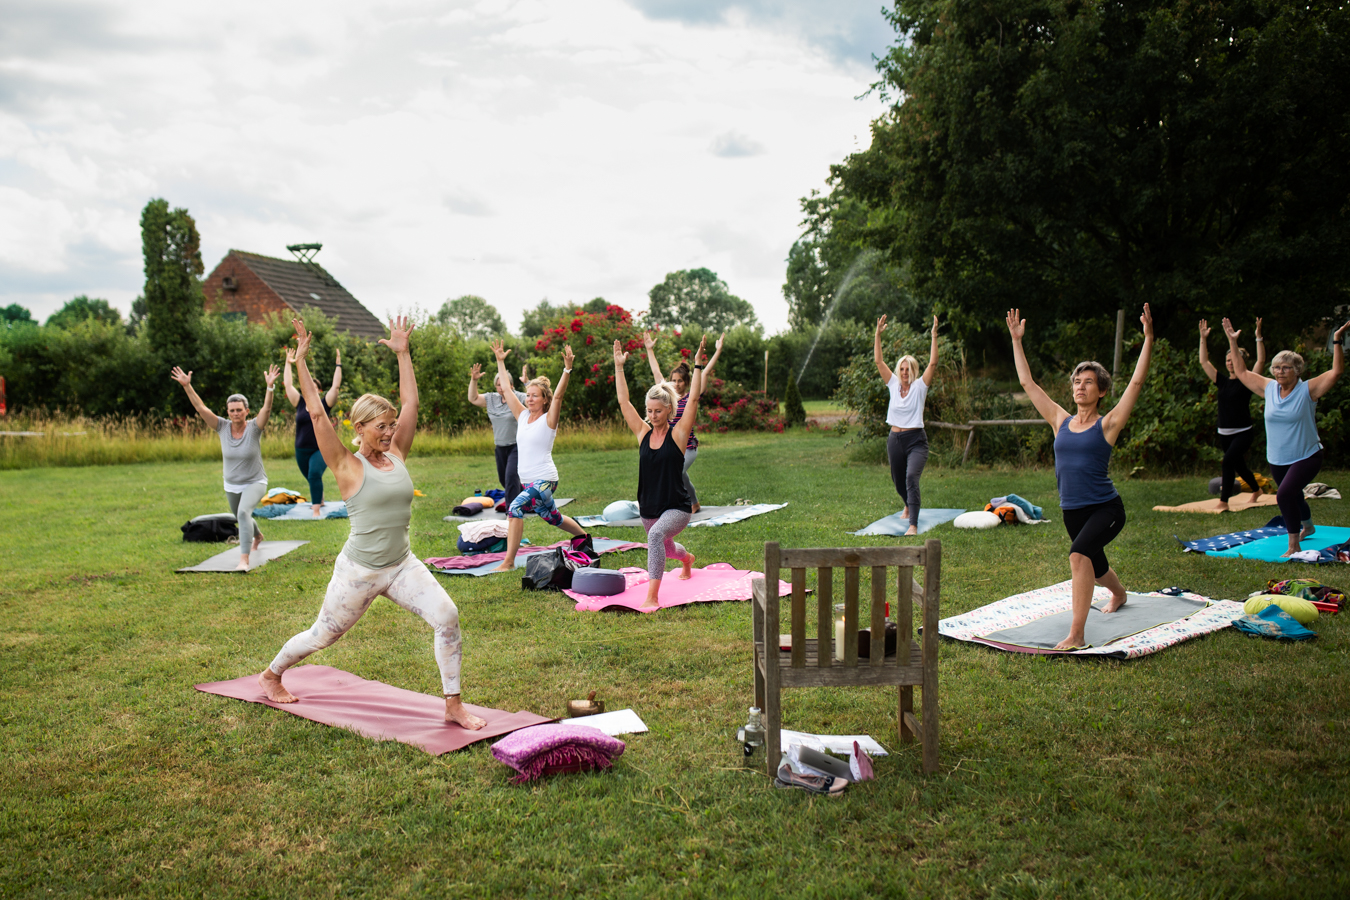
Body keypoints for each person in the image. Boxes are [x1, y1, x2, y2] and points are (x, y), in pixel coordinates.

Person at [257, 316, 486, 730]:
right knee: (322, 636)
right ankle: (271, 674)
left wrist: (404, 354)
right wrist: (303, 363)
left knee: (447, 616)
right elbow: (314, 410)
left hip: (401, 564)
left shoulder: (397, 453)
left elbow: (411, 404)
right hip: (359, 572)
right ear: (359, 428)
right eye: (381, 426)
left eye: (392, 425)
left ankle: (453, 705)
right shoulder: (346, 464)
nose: (390, 431)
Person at [1007, 304, 1154, 651]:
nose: (1080, 386)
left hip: (1106, 508)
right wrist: (1017, 341)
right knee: (1096, 565)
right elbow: (1027, 382)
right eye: (1077, 381)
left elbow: (1136, 381)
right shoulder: (1060, 420)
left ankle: (1077, 634)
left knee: (1078, 556)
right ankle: (1119, 593)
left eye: (1088, 382)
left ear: (1101, 391)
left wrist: (1148, 339)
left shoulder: (1109, 424)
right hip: (1072, 511)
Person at [1222, 316, 1348, 557]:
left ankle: (1294, 544)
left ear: (1297, 370)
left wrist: (1337, 340)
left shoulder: (1308, 389)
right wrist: (1232, 341)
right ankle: (1308, 525)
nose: (1280, 371)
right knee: (1294, 494)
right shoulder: (1268, 388)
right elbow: (1240, 370)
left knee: (1285, 494)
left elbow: (1336, 371)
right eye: (1277, 367)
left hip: (1307, 455)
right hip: (1277, 458)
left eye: (1286, 367)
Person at [613, 335, 716, 608]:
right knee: (667, 549)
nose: (652, 415)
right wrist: (619, 367)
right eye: (649, 410)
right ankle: (687, 559)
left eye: (658, 411)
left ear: (668, 409)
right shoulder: (643, 433)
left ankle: (652, 597)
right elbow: (624, 403)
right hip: (649, 506)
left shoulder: (679, 433)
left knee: (656, 536)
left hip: (677, 507)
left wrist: (696, 365)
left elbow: (693, 399)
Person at [490, 339, 590, 572]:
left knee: (514, 508)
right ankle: (584, 538)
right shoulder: (523, 416)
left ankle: (508, 562)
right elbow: (505, 387)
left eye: (535, 395)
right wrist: (500, 362)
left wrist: (567, 369)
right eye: (528, 395)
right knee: (553, 518)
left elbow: (558, 397)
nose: (530, 399)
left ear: (544, 399)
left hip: (545, 480)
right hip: (529, 483)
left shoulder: (548, 419)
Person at [170, 362, 280, 571]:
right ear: (227, 412)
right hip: (231, 484)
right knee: (241, 514)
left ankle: (244, 560)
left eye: (239, 410)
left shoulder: (255, 428)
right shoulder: (221, 426)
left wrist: (270, 387)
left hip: (255, 481)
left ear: (246, 411)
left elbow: (267, 408)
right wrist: (187, 386)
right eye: (232, 410)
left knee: (243, 513)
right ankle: (258, 536)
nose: (235, 413)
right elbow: (200, 407)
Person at [874, 314, 941, 536]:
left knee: (911, 476)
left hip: (915, 441)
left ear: (913, 370)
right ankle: (907, 503)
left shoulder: (921, 386)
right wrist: (878, 335)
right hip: (895, 440)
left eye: (907, 369)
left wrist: (933, 336)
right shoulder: (892, 384)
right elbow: (879, 361)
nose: (904, 373)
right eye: (901, 369)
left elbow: (933, 363)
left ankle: (913, 524)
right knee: (898, 480)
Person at [643, 331, 714, 513]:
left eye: (679, 381)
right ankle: (693, 502)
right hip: (671, 446)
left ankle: (685, 502)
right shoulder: (666, 398)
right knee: (677, 474)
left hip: (688, 447)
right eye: (673, 380)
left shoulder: (690, 398)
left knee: (677, 472)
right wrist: (649, 350)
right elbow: (656, 372)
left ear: (686, 382)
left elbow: (703, 376)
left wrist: (706, 357)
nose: (675, 384)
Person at [1198, 318, 1265, 510]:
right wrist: (1203, 338)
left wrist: (1258, 337)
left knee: (1227, 463)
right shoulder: (1222, 381)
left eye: (1233, 359)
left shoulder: (1248, 380)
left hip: (1243, 431)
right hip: (1224, 433)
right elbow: (1204, 361)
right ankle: (1256, 489)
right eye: (1227, 360)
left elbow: (1260, 361)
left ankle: (1223, 501)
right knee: (1239, 466)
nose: (1229, 363)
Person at [283, 347, 342, 517]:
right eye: (307, 386)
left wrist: (338, 364)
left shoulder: (325, 404)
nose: (310, 389)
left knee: (314, 473)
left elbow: (336, 387)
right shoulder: (299, 403)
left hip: (321, 449)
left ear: (318, 390)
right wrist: (288, 363)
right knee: (311, 477)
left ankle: (316, 509)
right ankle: (320, 499)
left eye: (314, 387)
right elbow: (288, 384)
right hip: (301, 449)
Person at [467, 361, 529, 504]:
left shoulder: (518, 397)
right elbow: (473, 398)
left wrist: (527, 384)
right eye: (499, 385)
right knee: (504, 479)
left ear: (511, 385)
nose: (501, 388)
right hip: (500, 447)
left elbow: (535, 400)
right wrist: (474, 380)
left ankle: (512, 512)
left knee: (511, 477)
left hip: (516, 446)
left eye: (505, 384)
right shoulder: (491, 399)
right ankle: (528, 499)